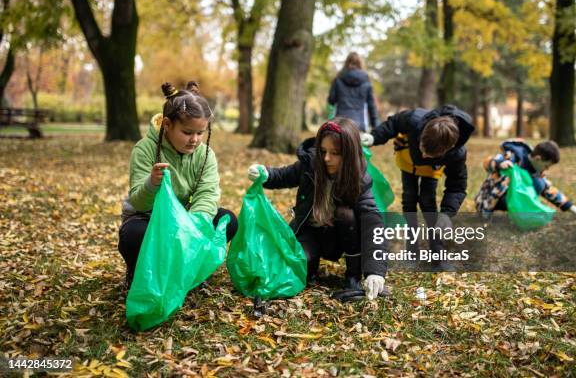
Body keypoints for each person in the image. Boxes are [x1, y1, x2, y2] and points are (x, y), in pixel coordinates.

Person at [247, 118, 388, 300]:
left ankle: (353, 275)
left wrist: (375, 271)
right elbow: (283, 176)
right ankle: (310, 268)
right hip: (311, 231)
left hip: (342, 235)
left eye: (335, 153)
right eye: (322, 151)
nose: (327, 158)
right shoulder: (311, 165)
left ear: (349, 154)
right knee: (300, 265)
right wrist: (265, 174)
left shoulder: (359, 178)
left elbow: (373, 223)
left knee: (347, 215)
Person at [119, 81, 238, 288]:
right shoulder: (144, 150)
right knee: (133, 236)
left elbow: (207, 194)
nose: (194, 140)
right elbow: (137, 201)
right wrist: (151, 184)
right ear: (167, 124)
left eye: (200, 133)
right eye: (187, 132)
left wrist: (191, 226)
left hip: (187, 217)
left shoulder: (205, 154)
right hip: (149, 218)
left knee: (227, 221)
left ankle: (190, 268)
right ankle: (140, 272)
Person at [361, 105, 474, 268]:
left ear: (447, 149)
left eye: (429, 154)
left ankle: (438, 254)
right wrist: (373, 137)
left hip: (431, 170)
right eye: (422, 149)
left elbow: (457, 186)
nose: (423, 155)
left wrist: (447, 214)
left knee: (428, 202)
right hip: (408, 163)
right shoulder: (414, 119)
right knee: (409, 201)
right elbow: (393, 124)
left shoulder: (457, 154)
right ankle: (411, 252)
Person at [475, 139, 576, 218]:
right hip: (493, 199)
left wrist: (572, 208)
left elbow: (549, 190)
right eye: (546, 165)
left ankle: (520, 216)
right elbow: (487, 163)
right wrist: (499, 164)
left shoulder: (537, 171)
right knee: (535, 184)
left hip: (515, 200)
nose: (547, 169)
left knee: (540, 184)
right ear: (538, 158)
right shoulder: (513, 157)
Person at [327, 52, 381, 132]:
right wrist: (376, 127)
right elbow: (371, 106)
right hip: (359, 125)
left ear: (346, 63)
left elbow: (331, 100)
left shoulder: (338, 79)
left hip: (340, 125)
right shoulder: (366, 81)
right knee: (359, 144)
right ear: (360, 64)